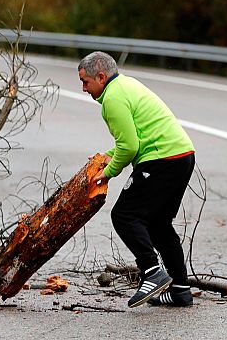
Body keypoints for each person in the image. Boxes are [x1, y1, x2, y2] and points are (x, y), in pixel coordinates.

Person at [77, 51, 195, 308]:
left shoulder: (112, 98)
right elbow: (134, 139)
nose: (84, 88)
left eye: (85, 82)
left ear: (100, 76)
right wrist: (109, 156)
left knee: (124, 215)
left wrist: (107, 173)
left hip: (162, 159)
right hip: (182, 156)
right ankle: (180, 290)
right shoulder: (125, 85)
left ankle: (152, 272)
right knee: (160, 225)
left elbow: (129, 146)